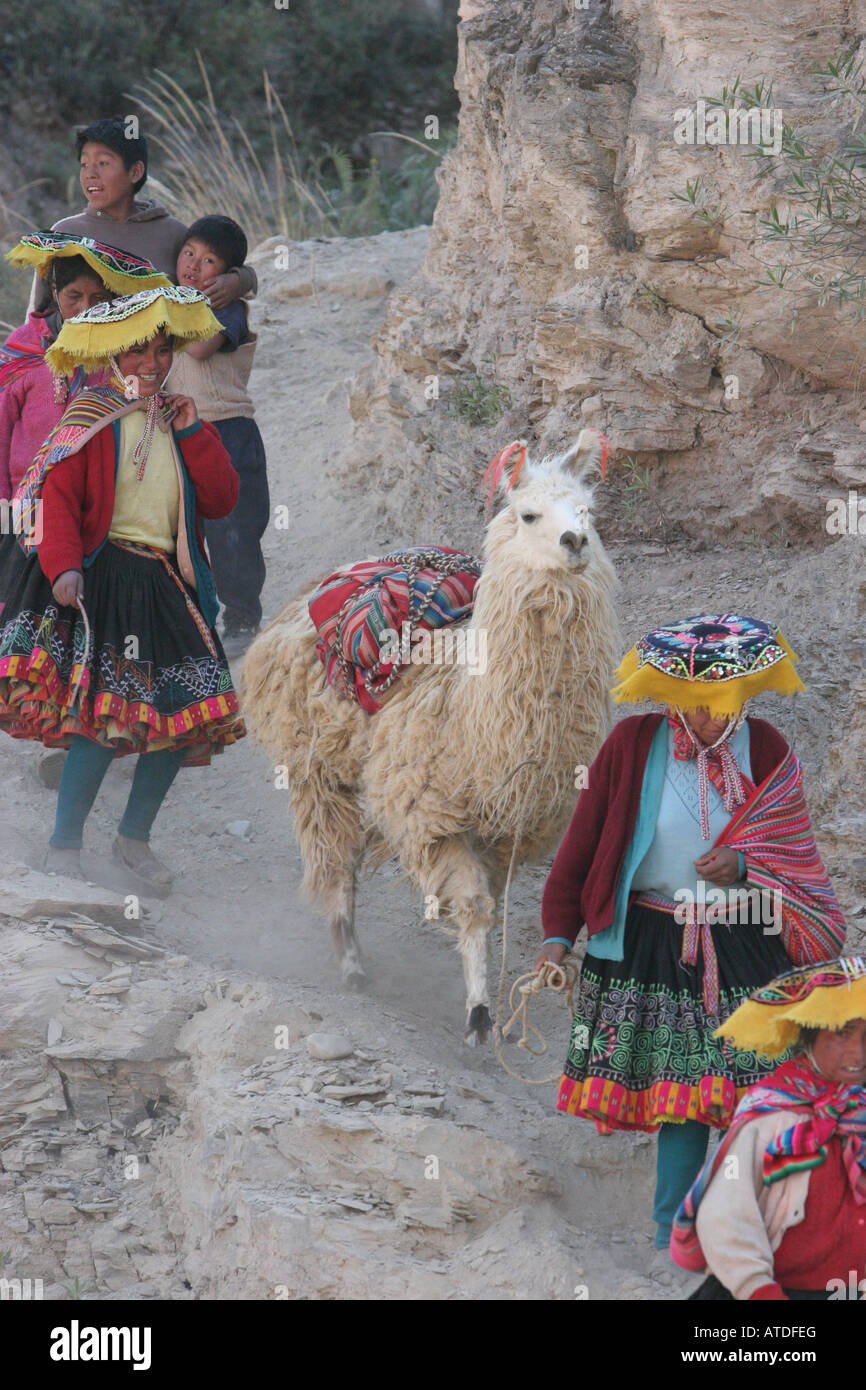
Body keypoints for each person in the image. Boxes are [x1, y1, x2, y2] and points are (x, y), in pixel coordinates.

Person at [534, 615, 846, 1251]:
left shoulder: (765, 749)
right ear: (672, 693)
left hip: (746, 939)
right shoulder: (630, 743)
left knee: (755, 1087)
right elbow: (582, 844)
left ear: (742, 696)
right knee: (682, 1097)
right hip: (651, 943)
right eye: (694, 702)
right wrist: (557, 936)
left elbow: (790, 850)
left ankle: (757, 1226)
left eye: (718, 703)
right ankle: (671, 1231)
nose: (706, 715)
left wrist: (744, 867)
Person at [0, 285, 245, 892]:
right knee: (99, 720)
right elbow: (55, 500)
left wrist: (192, 433)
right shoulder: (87, 418)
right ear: (112, 355)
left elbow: (222, 499)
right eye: (138, 353)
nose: (153, 364)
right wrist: (64, 569)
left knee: (179, 718)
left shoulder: (178, 420)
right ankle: (64, 846)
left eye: (163, 352)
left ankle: (133, 840)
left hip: (166, 584)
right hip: (105, 580)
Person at [671, 956, 866, 1300]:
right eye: (842, 1033)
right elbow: (726, 1213)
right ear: (809, 1037)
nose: (859, 1052)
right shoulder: (769, 1115)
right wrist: (758, 1289)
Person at [1, 231, 169, 500]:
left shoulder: (121, 352)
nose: (86, 309)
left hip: (98, 501)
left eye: (99, 299)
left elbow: (137, 408)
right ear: (55, 292)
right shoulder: (24, 347)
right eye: (74, 296)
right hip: (27, 496)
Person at [30, 117, 257, 314]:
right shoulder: (64, 234)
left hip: (155, 361)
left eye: (103, 163)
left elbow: (227, 266)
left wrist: (237, 281)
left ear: (135, 172)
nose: (90, 174)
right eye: (84, 164)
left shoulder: (172, 233)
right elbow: (37, 316)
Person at [169, 215, 268, 655]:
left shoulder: (226, 306)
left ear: (225, 276)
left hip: (228, 430)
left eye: (208, 261)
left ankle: (243, 617)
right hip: (183, 431)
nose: (193, 265)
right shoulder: (176, 300)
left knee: (234, 528)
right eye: (188, 253)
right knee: (189, 530)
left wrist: (173, 305)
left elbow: (200, 347)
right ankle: (196, 619)